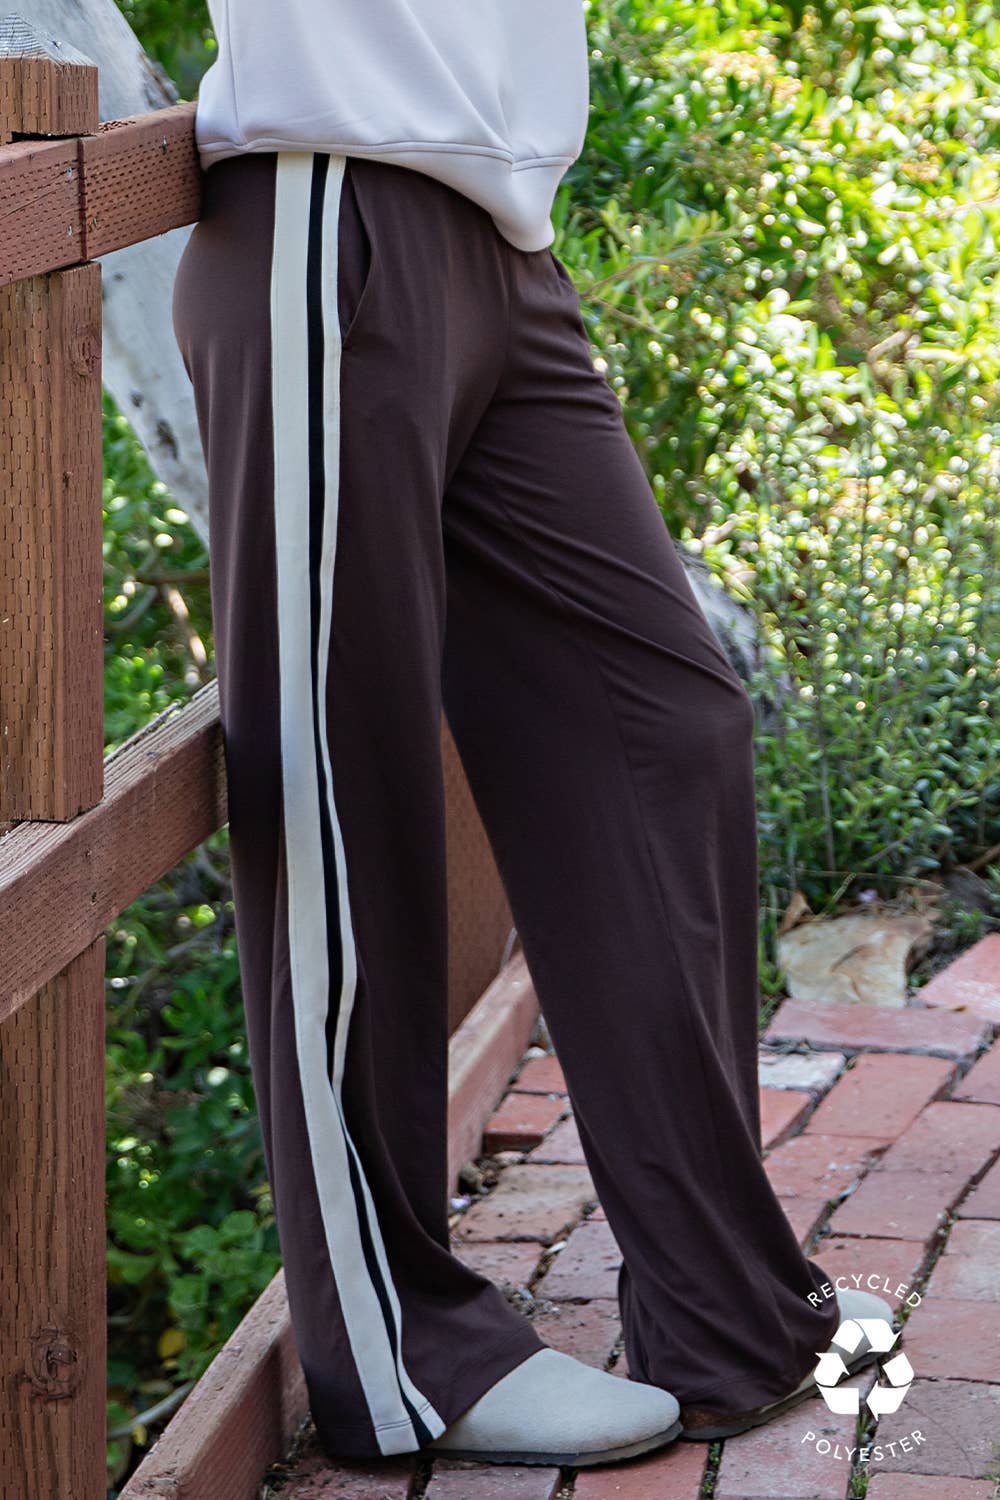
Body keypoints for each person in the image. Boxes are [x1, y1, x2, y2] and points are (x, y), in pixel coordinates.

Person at [170, 0, 893, 1470]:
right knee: (347, 798)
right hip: (327, 200)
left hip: (500, 236)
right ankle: (407, 1355)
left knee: (665, 723)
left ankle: (723, 1301)